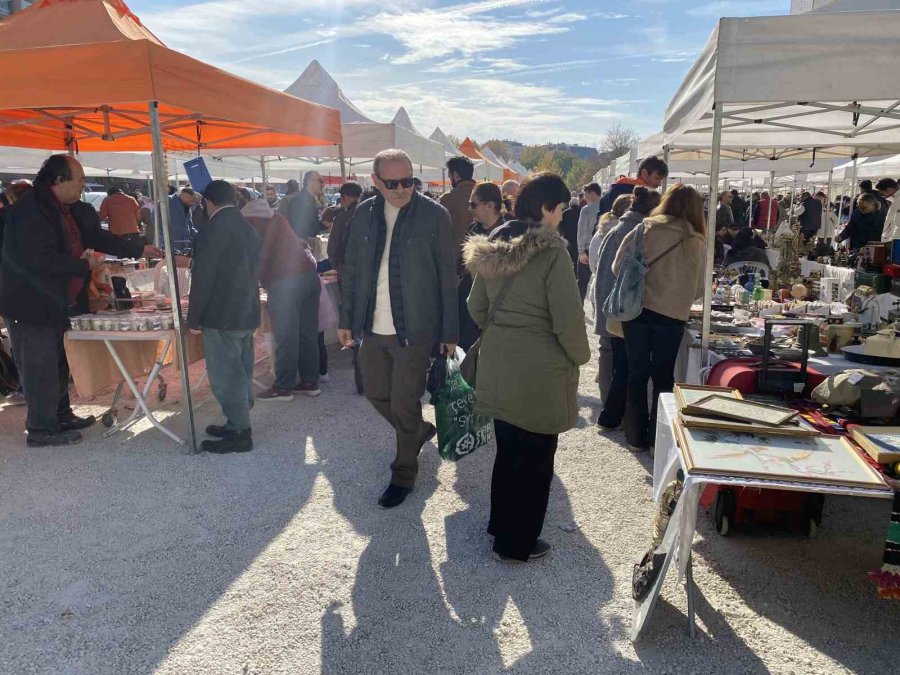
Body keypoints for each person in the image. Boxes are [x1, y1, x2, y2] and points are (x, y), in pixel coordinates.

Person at [463, 172, 590, 562]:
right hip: (540, 370)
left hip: (499, 362)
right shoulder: (552, 254)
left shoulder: (494, 247)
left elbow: (475, 306)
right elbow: (568, 321)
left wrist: (502, 332)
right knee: (535, 462)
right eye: (562, 209)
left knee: (508, 452)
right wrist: (581, 356)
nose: (563, 217)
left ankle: (500, 525)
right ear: (547, 208)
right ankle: (517, 542)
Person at [0, 155, 160, 447]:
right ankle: (41, 429)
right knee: (39, 366)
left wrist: (138, 247)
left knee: (58, 362)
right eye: (80, 180)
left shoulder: (62, 208)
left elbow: (96, 237)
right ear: (58, 180)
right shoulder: (31, 211)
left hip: (54, 300)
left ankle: (60, 414)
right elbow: (39, 260)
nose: (83, 187)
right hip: (29, 303)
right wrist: (83, 267)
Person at [337, 149, 458, 510]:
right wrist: (346, 320)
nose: (403, 189)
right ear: (375, 182)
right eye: (394, 183)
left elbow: (446, 279)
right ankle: (418, 433)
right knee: (375, 393)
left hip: (416, 329)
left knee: (405, 404)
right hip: (372, 328)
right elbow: (354, 272)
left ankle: (403, 473)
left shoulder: (435, 216)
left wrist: (449, 331)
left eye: (409, 181)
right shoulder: (363, 214)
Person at [613, 184, 706, 451]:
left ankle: (634, 436)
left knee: (637, 373)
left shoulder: (645, 228)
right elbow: (699, 290)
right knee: (663, 376)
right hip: (673, 314)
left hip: (638, 310)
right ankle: (658, 437)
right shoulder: (696, 241)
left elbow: (618, 265)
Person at [187, 181, 262, 454]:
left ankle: (241, 431)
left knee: (226, 375)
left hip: (221, 314)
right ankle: (237, 421)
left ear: (208, 202)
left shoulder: (210, 232)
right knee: (242, 371)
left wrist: (194, 317)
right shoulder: (249, 229)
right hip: (246, 310)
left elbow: (203, 280)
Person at [238, 189, 322, 402]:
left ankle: (283, 386)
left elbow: (257, 257)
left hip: (285, 280)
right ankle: (310, 382)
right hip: (309, 274)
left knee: (286, 335)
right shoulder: (276, 217)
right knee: (307, 332)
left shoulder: (248, 223)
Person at [593, 187, 661, 430]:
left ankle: (610, 412)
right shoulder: (638, 232)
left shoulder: (615, 229)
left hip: (611, 304)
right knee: (623, 364)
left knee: (614, 358)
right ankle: (612, 413)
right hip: (625, 307)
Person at [459, 182, 506, 350]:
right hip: (468, 307)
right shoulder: (473, 229)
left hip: (494, 309)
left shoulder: (507, 234)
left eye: (473, 204)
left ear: (490, 206)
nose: (469, 208)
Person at [596, 156, 668, 216]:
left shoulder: (617, 187)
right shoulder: (635, 195)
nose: (659, 184)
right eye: (657, 178)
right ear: (644, 173)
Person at [440, 155, 477, 254]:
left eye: (449, 176)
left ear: (455, 175)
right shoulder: (484, 195)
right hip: (479, 257)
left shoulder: (446, 199)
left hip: (455, 258)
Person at [327, 181, 363, 276]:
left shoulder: (342, 217)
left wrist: (337, 268)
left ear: (345, 197)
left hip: (345, 268)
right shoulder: (369, 214)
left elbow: (332, 247)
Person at [575, 182, 603, 303]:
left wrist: (581, 251)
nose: (584, 198)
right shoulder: (608, 206)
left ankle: (577, 310)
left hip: (586, 249)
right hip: (603, 248)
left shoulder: (586, 210)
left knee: (582, 283)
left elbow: (581, 231)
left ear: (592, 193)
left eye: (586, 195)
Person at [288, 171, 324, 244]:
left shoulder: (308, 199)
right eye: (320, 181)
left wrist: (324, 225)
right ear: (309, 182)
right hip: (301, 246)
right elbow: (302, 226)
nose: (322, 184)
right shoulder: (301, 200)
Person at [559, 196, 582, 274]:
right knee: (577, 259)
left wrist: (561, 235)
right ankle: (576, 274)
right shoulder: (581, 211)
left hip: (567, 238)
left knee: (568, 257)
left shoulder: (565, 213)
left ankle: (568, 273)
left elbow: (560, 226)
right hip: (578, 238)